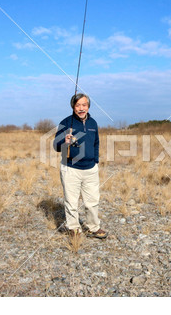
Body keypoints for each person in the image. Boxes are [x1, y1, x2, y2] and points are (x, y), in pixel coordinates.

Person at [53, 93, 107, 239]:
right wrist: (64, 141)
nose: (81, 108)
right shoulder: (66, 122)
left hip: (90, 169)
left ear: (88, 106)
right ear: (73, 107)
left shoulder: (93, 123)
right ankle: (74, 228)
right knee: (71, 201)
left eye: (84, 105)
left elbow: (96, 143)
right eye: (78, 105)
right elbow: (56, 146)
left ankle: (93, 227)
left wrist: (95, 160)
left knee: (92, 201)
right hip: (70, 168)